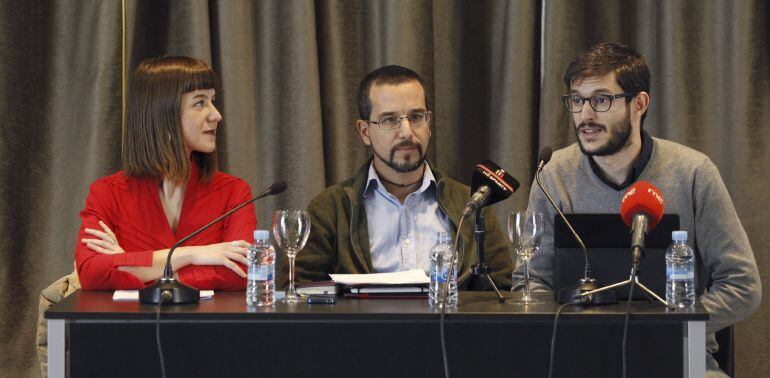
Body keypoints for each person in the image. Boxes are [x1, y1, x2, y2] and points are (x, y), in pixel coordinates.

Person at [513, 42, 761, 376]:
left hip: (678, 354)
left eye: (601, 100)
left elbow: (742, 285)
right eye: (576, 100)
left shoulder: (692, 173)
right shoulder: (554, 172)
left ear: (638, 104)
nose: (585, 115)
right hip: (581, 356)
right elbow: (531, 280)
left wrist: (673, 323)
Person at [284, 65, 513, 290]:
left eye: (416, 117)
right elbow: (298, 292)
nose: (406, 132)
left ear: (429, 124)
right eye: (389, 120)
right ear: (365, 132)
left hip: (447, 326)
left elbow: (502, 290)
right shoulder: (330, 209)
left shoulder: (471, 203)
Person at [74, 56, 257, 290]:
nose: (216, 115)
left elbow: (244, 271)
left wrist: (133, 266)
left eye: (213, 101)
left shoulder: (234, 192)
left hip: (207, 326)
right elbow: (91, 272)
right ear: (163, 114)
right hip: (131, 326)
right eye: (200, 103)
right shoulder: (106, 193)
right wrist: (192, 255)